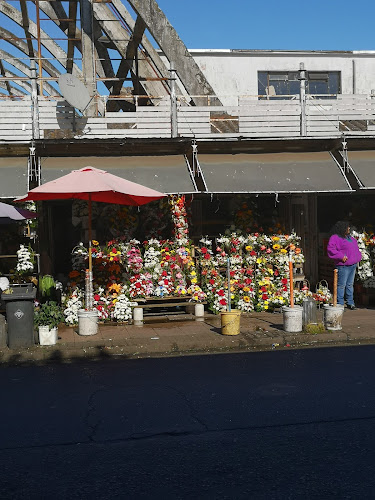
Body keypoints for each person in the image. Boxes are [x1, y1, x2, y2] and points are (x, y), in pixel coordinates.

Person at [327, 221, 362, 310]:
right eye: (347, 227)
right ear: (342, 228)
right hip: (343, 265)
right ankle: (340, 303)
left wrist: (358, 257)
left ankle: (350, 303)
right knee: (341, 285)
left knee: (350, 284)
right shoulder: (335, 238)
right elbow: (331, 249)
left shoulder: (349, 237)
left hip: (352, 265)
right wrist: (341, 256)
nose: (349, 228)